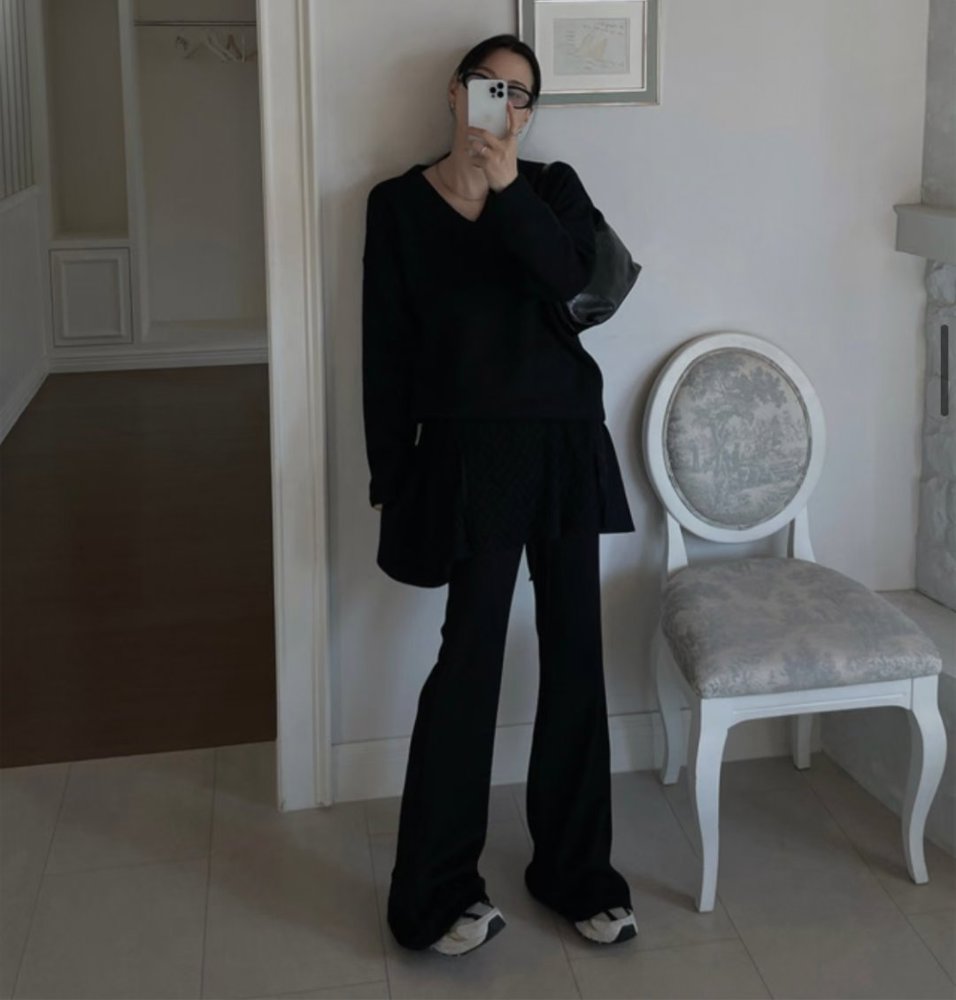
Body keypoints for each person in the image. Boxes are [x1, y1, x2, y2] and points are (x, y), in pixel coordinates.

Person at [361, 33, 638, 957]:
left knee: (575, 654)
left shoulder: (552, 190)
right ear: (455, 92)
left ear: (529, 114)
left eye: (521, 95)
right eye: (490, 87)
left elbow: (567, 282)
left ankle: (576, 873)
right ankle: (438, 892)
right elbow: (386, 349)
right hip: (468, 457)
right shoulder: (397, 205)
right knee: (468, 663)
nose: (505, 105)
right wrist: (392, 473)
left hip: (563, 443)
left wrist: (508, 186)